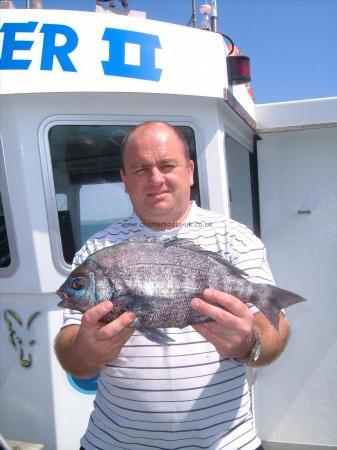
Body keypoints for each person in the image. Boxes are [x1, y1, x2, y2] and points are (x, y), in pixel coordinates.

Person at [55, 121, 289, 450]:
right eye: (140, 169)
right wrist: (84, 350)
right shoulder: (97, 250)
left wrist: (249, 343)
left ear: (190, 170)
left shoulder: (234, 239)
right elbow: (70, 353)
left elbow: (275, 330)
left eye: (167, 165)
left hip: (227, 444)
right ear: (124, 179)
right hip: (113, 443)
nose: (155, 179)